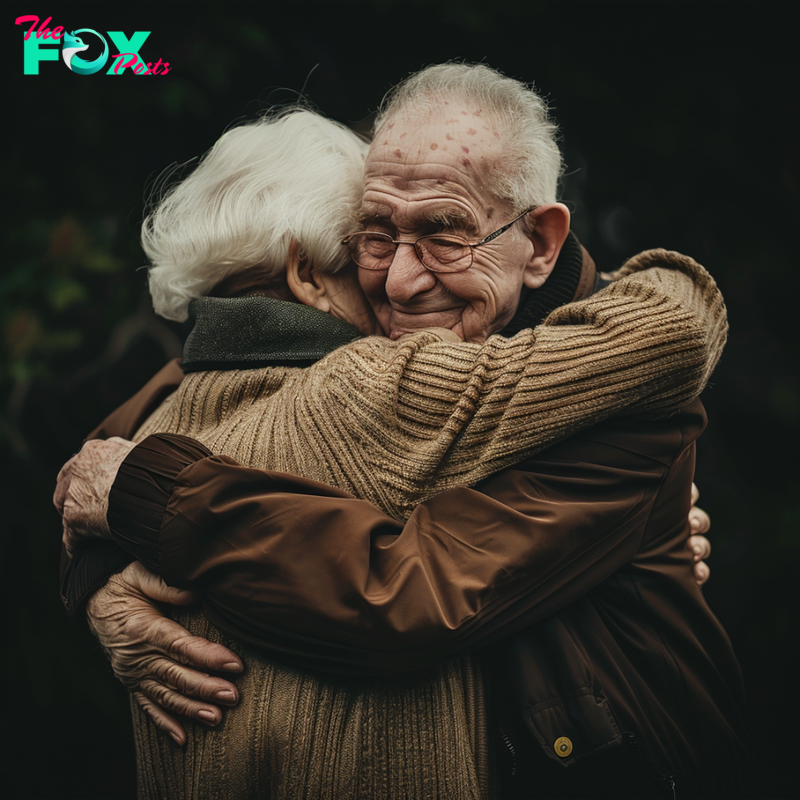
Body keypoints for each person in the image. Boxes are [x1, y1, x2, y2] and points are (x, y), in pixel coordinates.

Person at [58, 64, 745, 799]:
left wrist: (140, 500)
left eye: (445, 235)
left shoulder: (618, 392)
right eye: (375, 239)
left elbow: (400, 594)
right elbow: (152, 426)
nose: (398, 283)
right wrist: (97, 571)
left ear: (541, 244)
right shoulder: (362, 379)